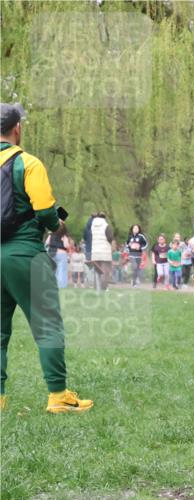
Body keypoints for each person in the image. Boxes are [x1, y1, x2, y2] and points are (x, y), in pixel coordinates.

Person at [0, 101, 92, 413]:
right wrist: (56, 223)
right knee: (47, 324)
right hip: (25, 253)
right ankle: (58, 396)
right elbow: (44, 211)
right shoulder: (29, 163)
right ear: (17, 129)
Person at [83, 212, 114, 292]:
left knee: (97, 271)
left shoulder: (92, 226)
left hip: (95, 251)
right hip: (104, 251)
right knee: (104, 270)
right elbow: (110, 237)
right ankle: (104, 287)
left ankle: (96, 287)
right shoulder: (106, 226)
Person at [47, 220, 70, 289]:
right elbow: (66, 245)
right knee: (61, 270)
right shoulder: (63, 235)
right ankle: (61, 286)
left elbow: (47, 242)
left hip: (52, 253)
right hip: (61, 253)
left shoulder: (51, 234)